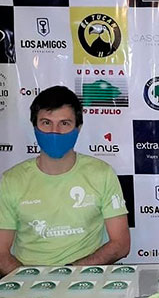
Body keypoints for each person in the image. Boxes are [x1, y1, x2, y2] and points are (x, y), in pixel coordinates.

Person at [0, 86, 130, 275]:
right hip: (27, 284)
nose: (55, 132)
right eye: (46, 123)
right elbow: (1, 254)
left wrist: (69, 274)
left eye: (64, 123)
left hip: (84, 281)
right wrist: (32, 282)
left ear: (78, 128)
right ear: (34, 126)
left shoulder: (102, 174)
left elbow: (121, 244)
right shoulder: (11, 180)